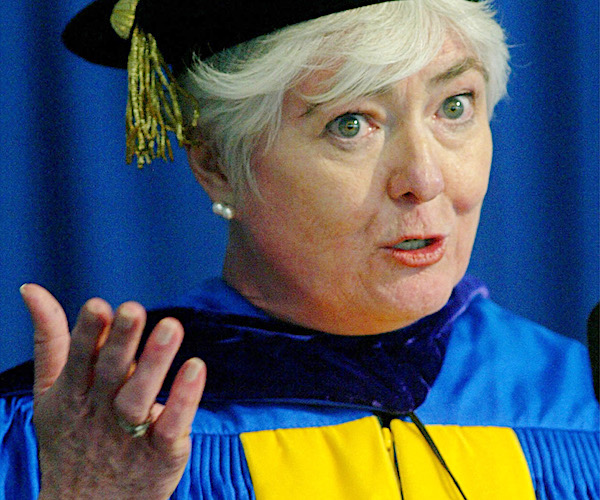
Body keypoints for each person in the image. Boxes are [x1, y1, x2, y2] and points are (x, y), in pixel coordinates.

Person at [0, 0, 598, 498]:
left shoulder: (578, 400)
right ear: (217, 164)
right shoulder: (78, 434)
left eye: (454, 106)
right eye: (351, 123)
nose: (425, 177)